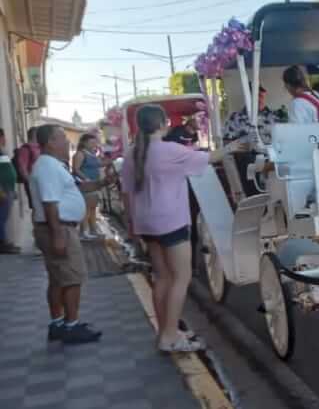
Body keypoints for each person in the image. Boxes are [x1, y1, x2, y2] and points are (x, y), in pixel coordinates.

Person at [122, 104, 245, 352]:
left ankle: (165, 331)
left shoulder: (131, 154)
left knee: (163, 278)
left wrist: (132, 225)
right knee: (181, 278)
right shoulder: (170, 150)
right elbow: (211, 158)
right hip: (171, 222)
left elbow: (126, 194)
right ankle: (169, 337)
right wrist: (233, 146)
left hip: (145, 222)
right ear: (161, 124)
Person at [30, 124, 114, 344]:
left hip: (57, 228)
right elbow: (50, 202)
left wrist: (103, 182)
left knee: (58, 279)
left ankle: (58, 324)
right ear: (50, 142)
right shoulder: (48, 166)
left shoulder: (55, 166)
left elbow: (79, 188)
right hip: (59, 228)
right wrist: (58, 235)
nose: (67, 142)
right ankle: (71, 326)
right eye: (62, 138)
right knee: (72, 278)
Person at [223, 85, 287, 197]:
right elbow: (227, 143)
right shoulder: (236, 117)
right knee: (247, 159)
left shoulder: (275, 116)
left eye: (261, 96)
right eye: (255, 96)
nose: (259, 99)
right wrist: (242, 146)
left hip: (273, 158)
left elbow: (286, 139)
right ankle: (256, 202)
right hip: (249, 159)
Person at [72, 133, 105, 240]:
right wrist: (86, 179)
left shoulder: (92, 154)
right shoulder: (80, 154)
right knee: (86, 208)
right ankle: (83, 231)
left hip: (94, 184)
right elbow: (76, 169)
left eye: (95, 142)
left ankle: (93, 230)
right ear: (84, 143)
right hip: (86, 185)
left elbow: (100, 164)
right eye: (91, 142)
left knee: (92, 208)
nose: (94, 144)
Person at [0, 128, 20, 254]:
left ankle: (5, 242)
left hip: (8, 189)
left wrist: (13, 189)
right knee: (0, 218)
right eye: (2, 136)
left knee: (3, 217)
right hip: (2, 190)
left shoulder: (2, 152)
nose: (5, 139)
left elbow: (6, 170)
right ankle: (2, 244)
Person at [14, 127, 40, 210]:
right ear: (34, 135)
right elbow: (22, 168)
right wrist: (30, 183)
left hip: (40, 183)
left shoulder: (38, 148)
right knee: (36, 208)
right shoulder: (25, 149)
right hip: (33, 184)